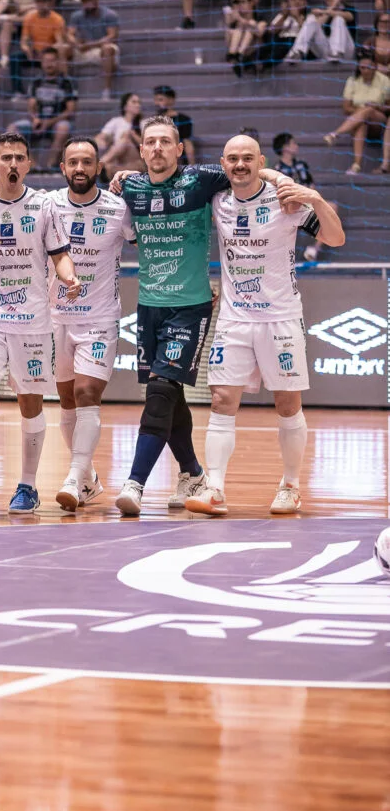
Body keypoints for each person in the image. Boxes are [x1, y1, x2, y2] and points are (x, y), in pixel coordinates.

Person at [110, 116, 289, 517]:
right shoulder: (131, 189)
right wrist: (119, 178)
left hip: (191, 306)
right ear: (141, 150)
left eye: (165, 142)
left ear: (179, 149)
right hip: (149, 305)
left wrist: (280, 179)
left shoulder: (202, 179)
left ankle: (135, 484)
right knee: (169, 395)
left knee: (160, 390)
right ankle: (192, 472)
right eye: (150, 142)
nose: (158, 148)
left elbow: (246, 172)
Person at [185, 134, 344, 517]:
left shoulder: (286, 199)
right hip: (234, 318)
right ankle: (215, 489)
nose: (240, 165)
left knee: (287, 404)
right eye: (233, 159)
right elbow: (176, 176)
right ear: (223, 164)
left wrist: (315, 198)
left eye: (248, 158)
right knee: (221, 400)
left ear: (261, 161)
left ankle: (291, 486)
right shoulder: (217, 200)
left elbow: (336, 238)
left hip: (280, 318)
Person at [0, 131, 79, 515]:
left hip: (32, 318)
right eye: (6, 157)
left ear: (28, 164)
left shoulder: (44, 206)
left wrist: (69, 277)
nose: (12, 163)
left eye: (19, 157)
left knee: (30, 400)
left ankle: (28, 486)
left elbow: (60, 254)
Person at [47, 137, 135, 511]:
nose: (80, 168)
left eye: (87, 162)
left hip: (99, 318)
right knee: (66, 399)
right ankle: (88, 479)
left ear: (99, 167)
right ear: (63, 168)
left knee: (86, 392)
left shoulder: (118, 208)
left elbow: (149, 241)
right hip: (55, 318)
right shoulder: (48, 205)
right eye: (73, 162)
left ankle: (72, 477)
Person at [323, 54, 390, 175]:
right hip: (359, 119)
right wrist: (361, 110)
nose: (365, 70)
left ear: (375, 67)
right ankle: (356, 165)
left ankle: (336, 134)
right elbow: (346, 108)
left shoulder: (384, 80)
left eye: (368, 67)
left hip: (379, 121)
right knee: (362, 122)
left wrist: (376, 106)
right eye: (362, 67)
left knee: (369, 110)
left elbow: (388, 107)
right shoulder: (352, 80)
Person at [12, 45, 76, 171]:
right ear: (41, 63)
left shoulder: (66, 82)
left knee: (64, 127)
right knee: (13, 130)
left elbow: (70, 111)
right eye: (46, 61)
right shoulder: (36, 82)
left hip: (57, 122)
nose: (49, 64)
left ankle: (50, 165)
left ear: (58, 62)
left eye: (52, 61)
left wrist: (49, 122)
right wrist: (35, 119)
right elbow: (31, 107)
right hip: (39, 122)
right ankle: (32, 165)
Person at [272, 130, 320, 258]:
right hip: (289, 207)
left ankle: (314, 249)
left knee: (332, 208)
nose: (296, 146)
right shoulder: (277, 170)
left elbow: (312, 187)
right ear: (285, 148)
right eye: (293, 143)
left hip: (307, 204)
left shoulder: (302, 165)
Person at [10, 0, 66, 95]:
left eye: (43, 1)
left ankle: (63, 84)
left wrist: (47, 53)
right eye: (38, 1)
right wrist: (26, 49)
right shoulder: (29, 18)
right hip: (35, 53)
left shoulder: (57, 19)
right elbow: (24, 40)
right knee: (14, 58)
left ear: (49, 2)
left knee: (60, 50)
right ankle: (18, 91)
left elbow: (59, 41)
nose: (41, 4)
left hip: (50, 53)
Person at [285, 0, 356, 63]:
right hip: (327, 52)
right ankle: (297, 52)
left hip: (346, 50)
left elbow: (349, 17)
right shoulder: (325, 12)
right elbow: (317, 24)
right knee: (311, 19)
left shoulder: (349, 8)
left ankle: (337, 52)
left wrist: (332, 6)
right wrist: (329, 9)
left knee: (338, 19)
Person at [67, 0, 119, 100]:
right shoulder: (76, 16)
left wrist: (89, 45)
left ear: (97, 1)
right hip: (83, 49)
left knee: (108, 49)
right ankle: (69, 88)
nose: (89, 6)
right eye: (86, 2)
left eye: (91, 1)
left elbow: (112, 36)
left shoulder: (109, 14)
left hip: (101, 49)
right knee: (63, 49)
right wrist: (76, 43)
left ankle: (106, 91)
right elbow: (69, 34)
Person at [153, 84, 195, 164]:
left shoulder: (183, 120)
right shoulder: (154, 120)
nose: (157, 103)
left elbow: (187, 144)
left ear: (171, 100)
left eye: (160, 100)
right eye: (155, 100)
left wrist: (192, 166)